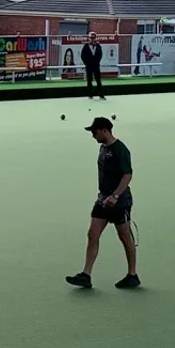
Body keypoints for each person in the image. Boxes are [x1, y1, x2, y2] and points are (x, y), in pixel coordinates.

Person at [66, 117, 139, 290]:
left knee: (125, 237)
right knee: (93, 234)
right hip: (102, 199)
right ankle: (86, 275)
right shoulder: (103, 147)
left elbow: (127, 175)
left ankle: (132, 275)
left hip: (119, 202)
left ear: (105, 130)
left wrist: (115, 196)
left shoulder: (120, 149)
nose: (93, 135)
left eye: (95, 131)